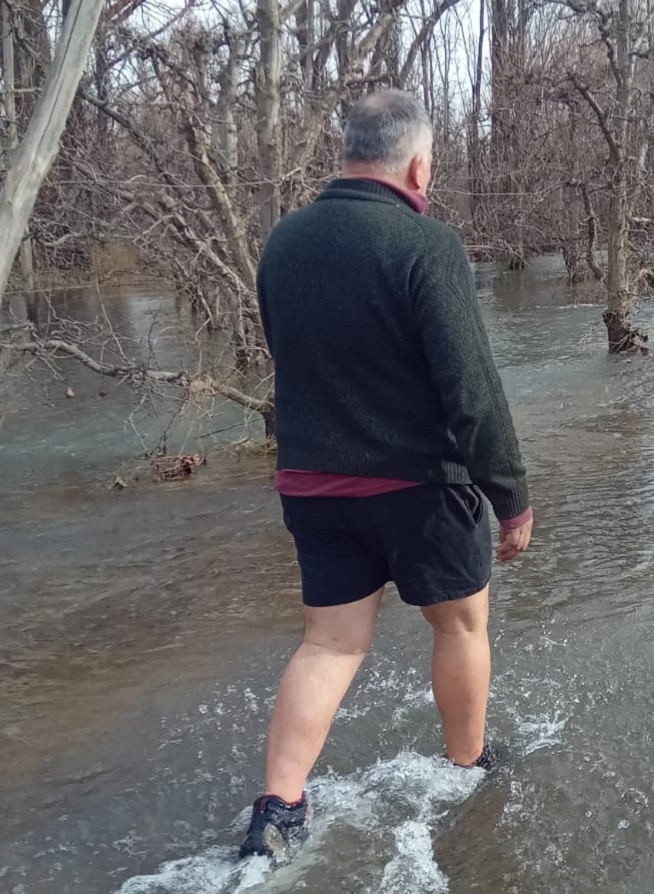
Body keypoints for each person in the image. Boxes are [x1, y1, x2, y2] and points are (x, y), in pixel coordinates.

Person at [239, 90, 533, 861]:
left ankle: (279, 806)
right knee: (461, 625)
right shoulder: (425, 243)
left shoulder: (284, 243)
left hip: (313, 485)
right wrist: (512, 497)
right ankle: (467, 767)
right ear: (418, 162)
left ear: (346, 153)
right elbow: (470, 387)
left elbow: (289, 352)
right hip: (418, 487)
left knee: (330, 646)